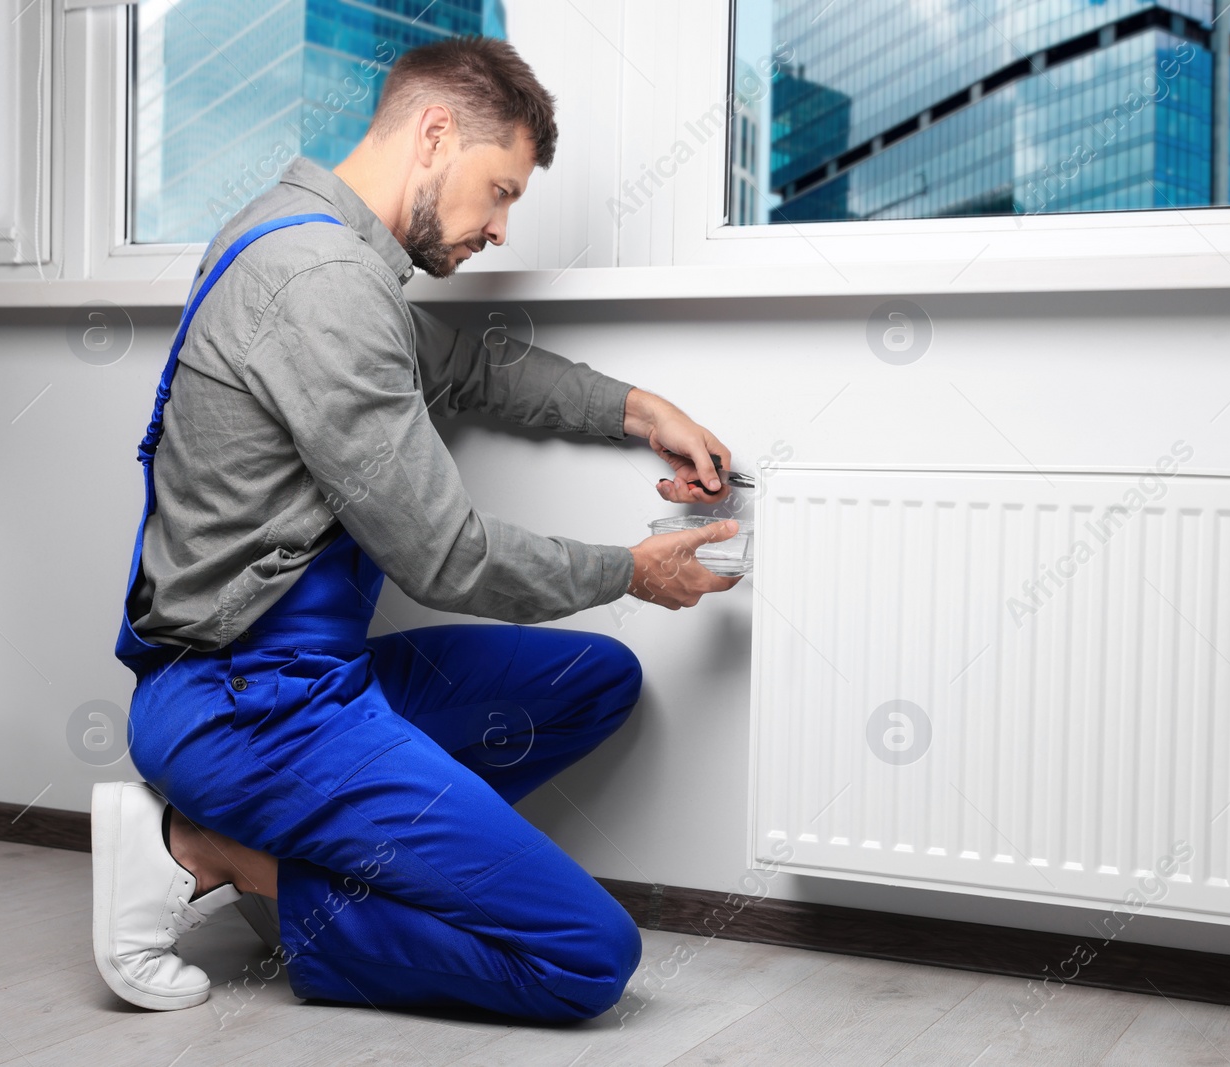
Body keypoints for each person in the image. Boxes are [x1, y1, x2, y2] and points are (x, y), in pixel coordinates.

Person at [91, 35, 742, 1021]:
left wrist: (640, 409)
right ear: (434, 133)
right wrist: (631, 570)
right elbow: (443, 553)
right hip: (246, 710)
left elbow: (470, 368)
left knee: (590, 681)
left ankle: (314, 859)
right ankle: (213, 850)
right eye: (503, 189)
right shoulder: (322, 280)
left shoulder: (310, 241)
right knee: (586, 956)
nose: (502, 226)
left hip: (308, 682)